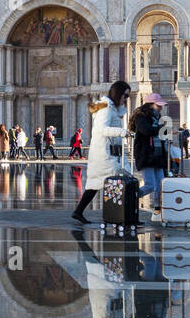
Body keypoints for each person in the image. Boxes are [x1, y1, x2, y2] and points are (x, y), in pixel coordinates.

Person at [71, 80, 130, 223]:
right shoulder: (107, 109)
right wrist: (122, 132)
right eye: (125, 96)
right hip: (105, 154)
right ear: (118, 94)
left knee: (96, 185)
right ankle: (118, 215)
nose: (126, 99)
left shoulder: (110, 108)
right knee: (120, 180)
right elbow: (101, 129)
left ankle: (79, 212)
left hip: (108, 152)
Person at [132, 93, 169, 220]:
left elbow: (162, 136)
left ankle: (157, 212)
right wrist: (161, 128)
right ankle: (132, 196)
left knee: (160, 186)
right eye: (158, 105)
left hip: (157, 156)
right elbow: (145, 130)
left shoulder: (158, 118)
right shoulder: (140, 116)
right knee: (150, 185)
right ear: (150, 105)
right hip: (146, 155)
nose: (160, 108)